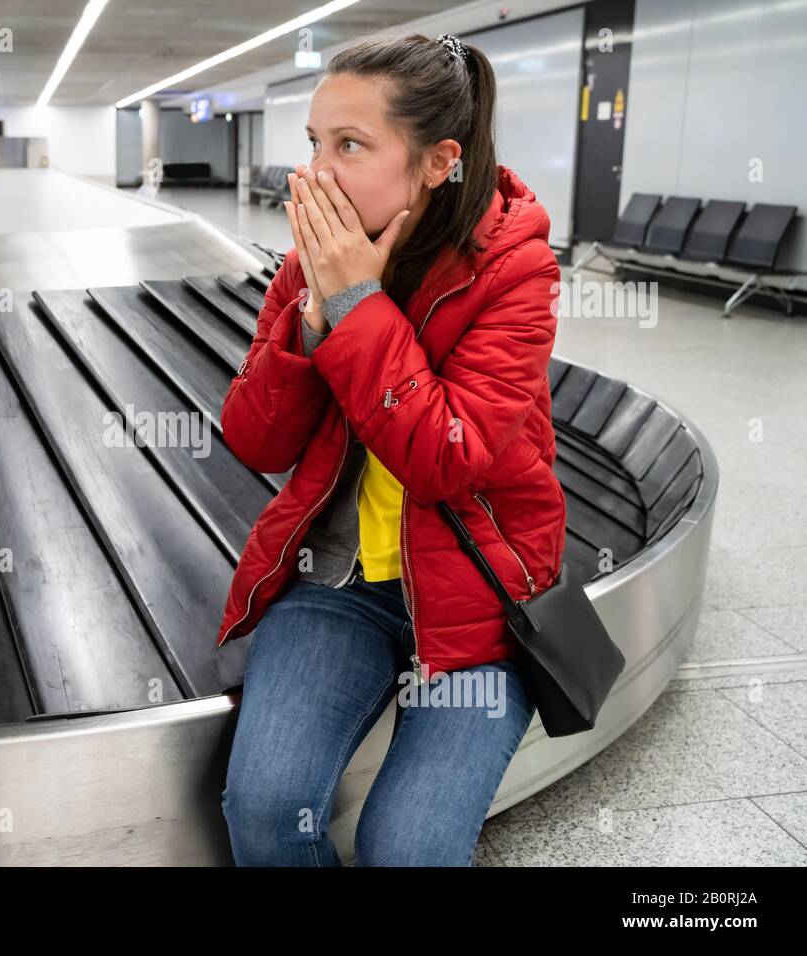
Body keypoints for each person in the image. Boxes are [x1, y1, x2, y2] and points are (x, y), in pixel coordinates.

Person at [216, 32, 566, 866]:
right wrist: (311, 322)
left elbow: (446, 456)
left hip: (477, 599)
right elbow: (254, 438)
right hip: (338, 582)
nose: (314, 174)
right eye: (312, 144)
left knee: (405, 849)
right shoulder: (311, 267)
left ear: (439, 160)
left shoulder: (515, 272)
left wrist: (359, 304)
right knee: (266, 811)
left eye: (350, 146)